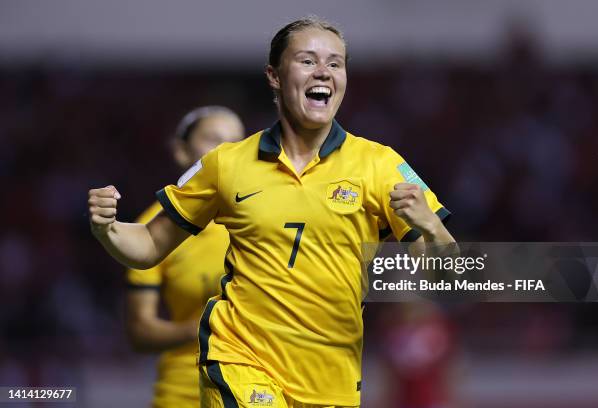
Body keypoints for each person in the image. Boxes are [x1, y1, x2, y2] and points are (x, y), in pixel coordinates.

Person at [89, 17, 455, 408]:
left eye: (335, 63)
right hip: (239, 357)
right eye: (307, 60)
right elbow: (148, 244)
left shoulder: (381, 164)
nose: (324, 73)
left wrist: (431, 226)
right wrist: (107, 228)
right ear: (275, 76)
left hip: (331, 378)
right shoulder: (225, 163)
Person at [124, 107, 244, 407]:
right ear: (180, 151)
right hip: (184, 394)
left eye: (236, 143)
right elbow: (139, 332)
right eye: (213, 139)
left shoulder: (266, 214)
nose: (225, 151)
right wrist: (206, 324)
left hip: (263, 391)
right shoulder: (153, 228)